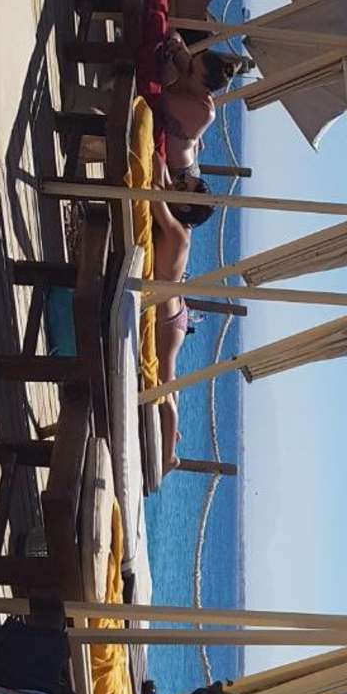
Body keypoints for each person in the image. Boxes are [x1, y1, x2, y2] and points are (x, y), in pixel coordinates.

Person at [149, 154, 212, 474]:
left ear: (185, 206)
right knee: (167, 381)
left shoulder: (177, 234)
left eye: (183, 185)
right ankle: (170, 434)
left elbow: (155, 195)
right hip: (174, 308)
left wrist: (158, 165)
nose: (178, 181)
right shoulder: (181, 223)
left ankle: (170, 455)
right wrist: (160, 161)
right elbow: (161, 179)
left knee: (166, 384)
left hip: (169, 322)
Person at [161, 37, 251, 180]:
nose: (188, 66)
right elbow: (175, 38)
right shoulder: (193, 72)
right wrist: (176, 45)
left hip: (182, 175)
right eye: (192, 62)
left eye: (191, 70)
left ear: (206, 89)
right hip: (187, 146)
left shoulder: (204, 111)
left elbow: (160, 98)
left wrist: (173, 61)